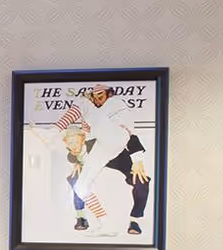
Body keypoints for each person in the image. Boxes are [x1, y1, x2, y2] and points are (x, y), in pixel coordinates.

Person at [53, 84, 151, 235]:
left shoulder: (116, 107)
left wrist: (137, 160)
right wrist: (77, 161)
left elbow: (129, 134)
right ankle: (82, 217)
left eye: (101, 97)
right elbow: (81, 140)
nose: (98, 101)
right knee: (75, 179)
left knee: (141, 181)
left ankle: (135, 220)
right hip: (99, 150)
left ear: (109, 95)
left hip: (119, 154)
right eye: (95, 98)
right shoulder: (91, 114)